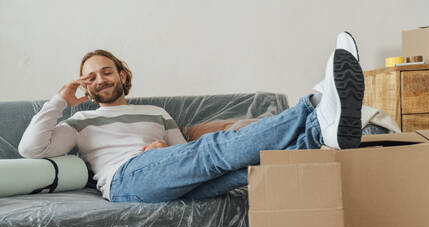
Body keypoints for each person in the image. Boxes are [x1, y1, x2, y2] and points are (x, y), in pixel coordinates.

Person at [18, 31, 364, 203]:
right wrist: (62, 99)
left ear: (122, 74)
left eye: (106, 72)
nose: (99, 81)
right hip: (125, 179)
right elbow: (31, 149)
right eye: (89, 78)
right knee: (213, 150)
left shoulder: (156, 112)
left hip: (165, 169)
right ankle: (315, 109)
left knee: (241, 171)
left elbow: (188, 154)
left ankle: (320, 135)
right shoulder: (80, 123)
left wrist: (161, 150)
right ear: (84, 87)